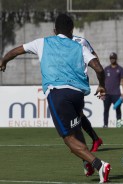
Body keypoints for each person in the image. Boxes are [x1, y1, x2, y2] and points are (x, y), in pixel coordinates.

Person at [0, 14, 111, 182]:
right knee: (76, 128)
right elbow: (99, 68)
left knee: (68, 139)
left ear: (54, 30)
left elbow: (17, 50)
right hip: (78, 95)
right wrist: (102, 85)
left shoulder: (43, 42)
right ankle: (86, 161)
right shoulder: (79, 46)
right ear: (72, 30)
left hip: (58, 93)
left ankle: (99, 165)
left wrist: (3, 60)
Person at [72, 35, 103, 153]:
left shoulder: (81, 41)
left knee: (76, 114)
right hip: (64, 81)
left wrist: (101, 81)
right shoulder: (56, 43)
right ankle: (95, 139)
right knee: (77, 113)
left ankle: (81, 144)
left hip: (79, 81)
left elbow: (94, 57)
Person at [103, 52, 123, 128]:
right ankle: (105, 125)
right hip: (107, 93)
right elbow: (102, 81)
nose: (112, 60)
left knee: (118, 109)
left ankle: (119, 124)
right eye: (111, 58)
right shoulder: (106, 69)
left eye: (113, 58)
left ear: (116, 59)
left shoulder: (120, 69)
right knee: (106, 110)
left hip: (116, 93)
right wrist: (102, 92)